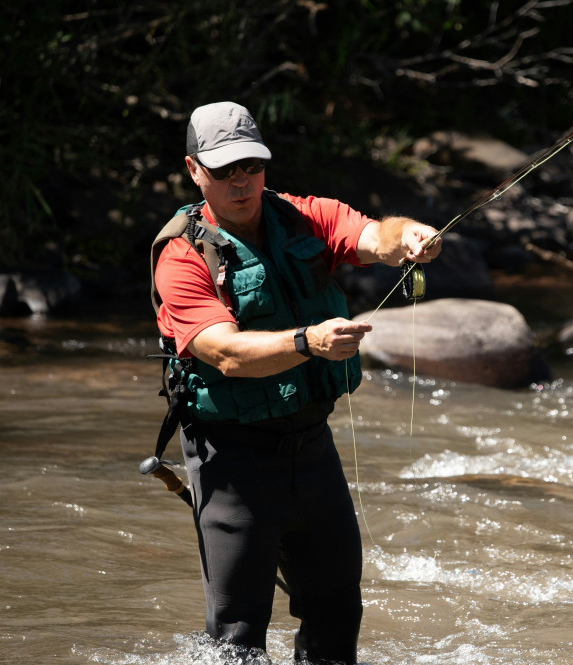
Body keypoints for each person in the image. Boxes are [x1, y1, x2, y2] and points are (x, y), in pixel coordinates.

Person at [149, 101, 441, 664]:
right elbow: (224, 353)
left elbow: (374, 235)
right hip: (230, 460)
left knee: (338, 615)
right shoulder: (181, 255)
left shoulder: (306, 216)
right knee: (237, 639)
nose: (241, 182)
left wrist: (409, 236)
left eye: (252, 167)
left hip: (312, 449)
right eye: (224, 170)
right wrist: (307, 341)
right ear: (193, 170)